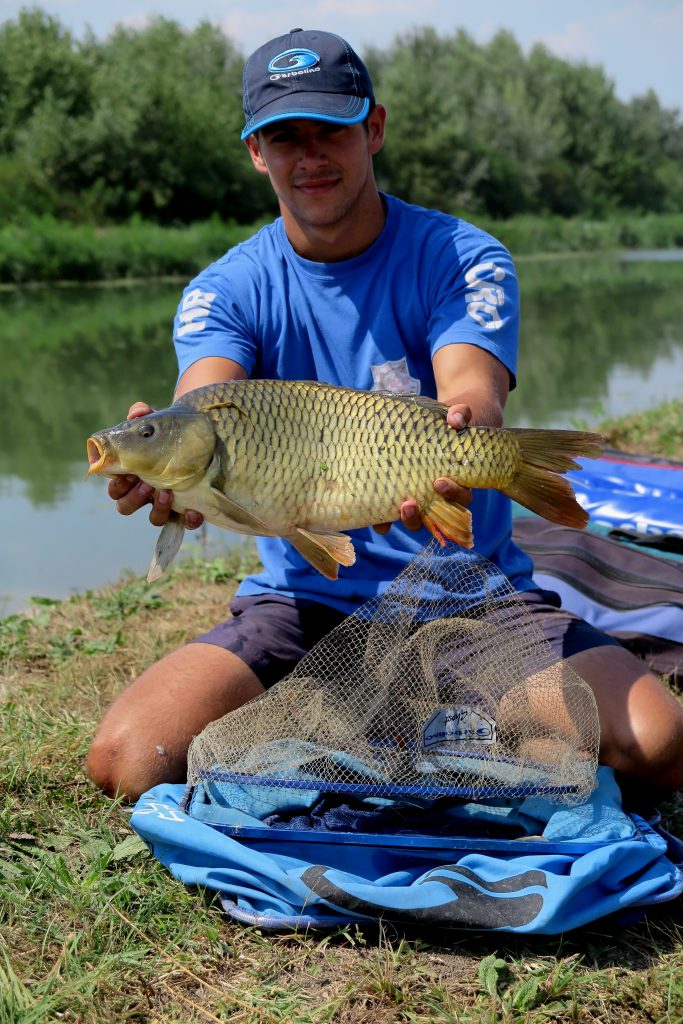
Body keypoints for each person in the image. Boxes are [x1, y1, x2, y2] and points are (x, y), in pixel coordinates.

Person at [87, 28, 683, 804]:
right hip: (303, 603)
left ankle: (427, 706)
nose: (310, 157)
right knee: (129, 760)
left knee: (657, 743)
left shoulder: (460, 254)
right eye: (283, 137)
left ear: (373, 128)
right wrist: (162, 460)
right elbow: (206, 394)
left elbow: (471, 389)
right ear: (254, 153)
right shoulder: (225, 289)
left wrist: (463, 433)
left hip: (467, 593)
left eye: (330, 130)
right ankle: (384, 710)